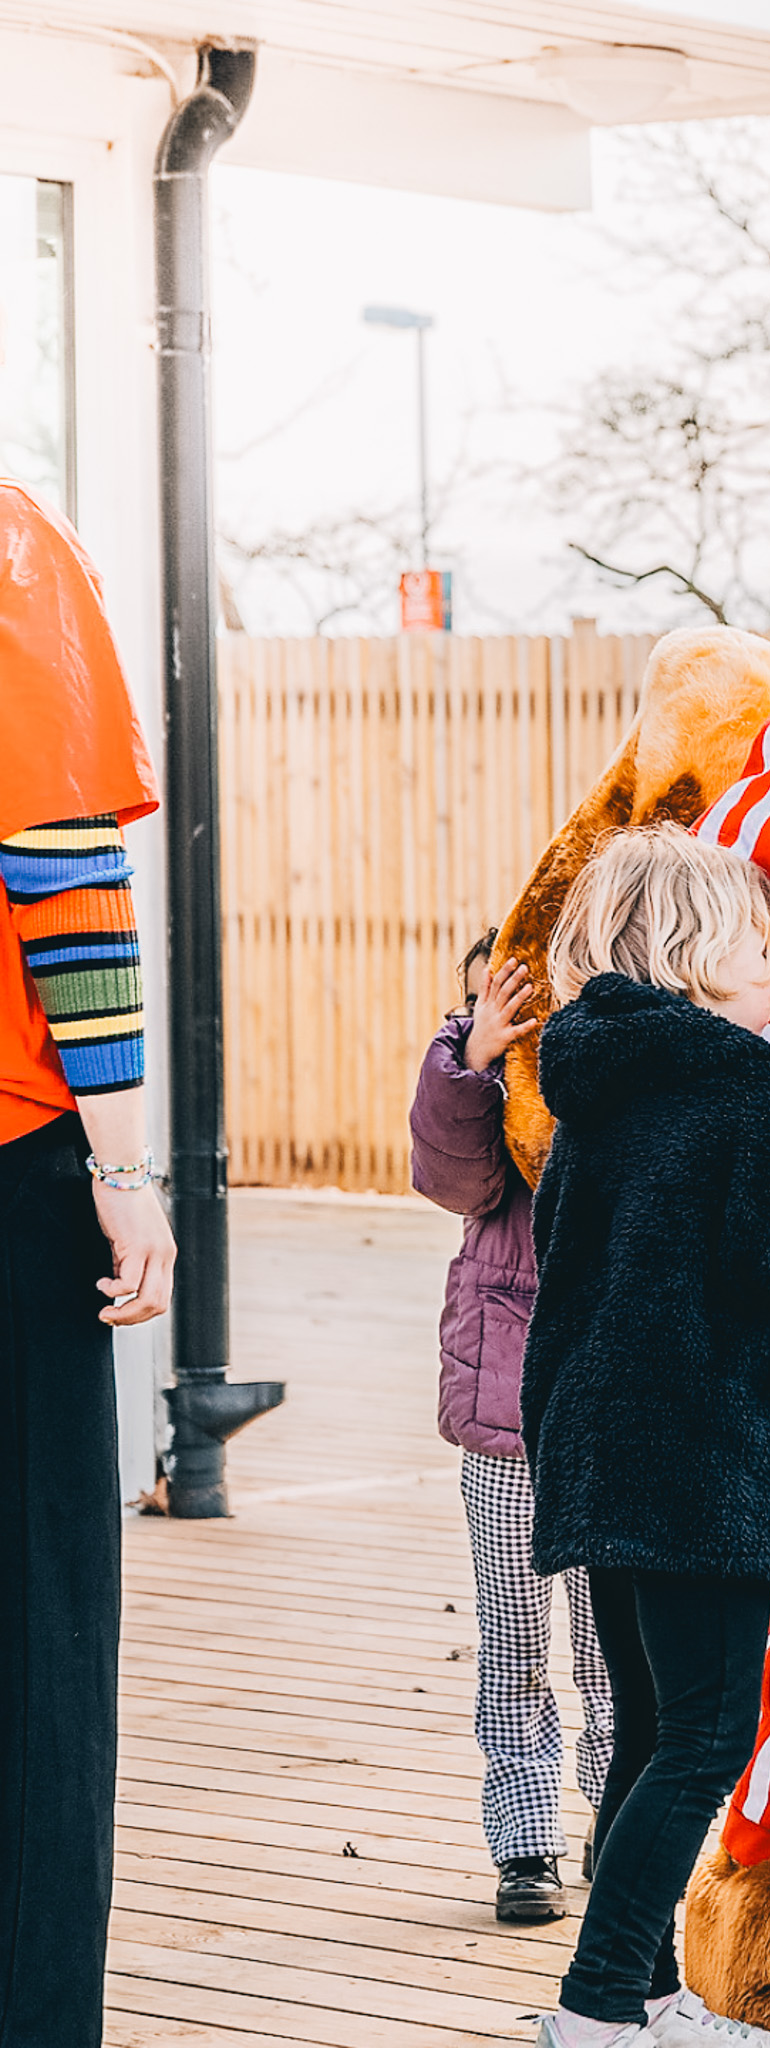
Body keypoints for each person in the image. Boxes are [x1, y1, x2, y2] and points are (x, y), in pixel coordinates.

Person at [521, 824, 770, 2048]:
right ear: (696, 954)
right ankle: (596, 2004)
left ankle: (640, 1992)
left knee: (647, 1723)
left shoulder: (592, 1085)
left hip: (595, 1440)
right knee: (701, 1737)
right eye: (759, 943)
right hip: (709, 1450)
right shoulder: (763, 1103)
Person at [1, 478, 176, 2048]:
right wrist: (126, 1169)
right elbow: (61, 880)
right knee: (37, 1614)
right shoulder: (8, 548)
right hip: (7, 1162)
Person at [410, 928, 615, 1924]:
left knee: (617, 1641)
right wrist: (476, 1059)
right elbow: (455, 1177)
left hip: (614, 1405)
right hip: (507, 1412)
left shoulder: (620, 1072)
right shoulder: (470, 1077)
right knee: (515, 1636)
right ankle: (524, 1836)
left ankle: (616, 1819)